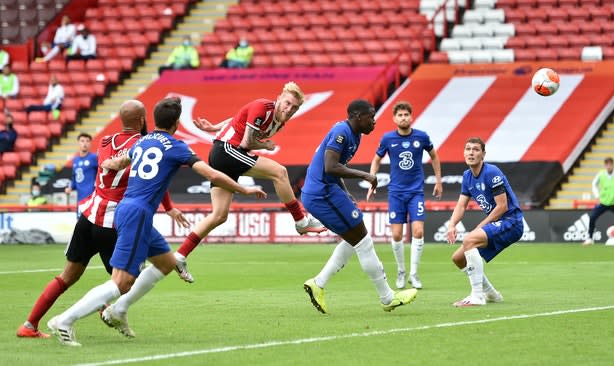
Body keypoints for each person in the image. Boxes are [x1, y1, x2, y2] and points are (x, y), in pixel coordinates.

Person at [47, 97, 267, 346]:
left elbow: (118, 162)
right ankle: (64, 321)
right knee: (121, 282)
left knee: (165, 263)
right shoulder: (176, 146)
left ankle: (118, 311)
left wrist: (108, 163)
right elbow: (212, 173)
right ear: (175, 123)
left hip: (127, 210)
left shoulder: (144, 140)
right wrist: (243, 189)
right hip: (138, 214)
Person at [16, 99, 186, 339]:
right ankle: (97, 313)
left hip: (88, 217)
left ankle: (29, 325)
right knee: (125, 282)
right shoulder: (145, 145)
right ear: (141, 120)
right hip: (113, 222)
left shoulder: (105, 141)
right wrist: (169, 207)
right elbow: (154, 179)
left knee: (67, 277)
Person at [172, 81, 326, 283]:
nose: (289, 109)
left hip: (225, 154)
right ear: (279, 98)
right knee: (279, 172)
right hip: (226, 151)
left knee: (219, 215)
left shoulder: (278, 120)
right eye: (287, 103)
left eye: (294, 108)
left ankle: (180, 256)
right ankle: (300, 221)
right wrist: (267, 145)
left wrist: (214, 127)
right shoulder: (262, 107)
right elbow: (246, 142)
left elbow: (237, 118)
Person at [301, 99, 418, 314]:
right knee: (363, 242)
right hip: (321, 194)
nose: (374, 121)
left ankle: (318, 283)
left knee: (354, 238)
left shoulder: (354, 135)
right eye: (370, 117)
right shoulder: (342, 131)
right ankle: (387, 297)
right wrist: (365, 175)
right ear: (357, 117)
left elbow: (336, 168)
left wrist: (345, 193)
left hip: (327, 191)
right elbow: (330, 166)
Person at [367, 101, 442, 290]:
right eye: (399, 115)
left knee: (418, 231)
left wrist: (439, 181)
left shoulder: (422, 137)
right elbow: (376, 160)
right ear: (394, 119)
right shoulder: (387, 139)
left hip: (416, 192)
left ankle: (414, 274)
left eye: (406, 114)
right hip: (396, 193)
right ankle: (401, 271)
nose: (403, 118)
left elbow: (434, 156)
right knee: (397, 234)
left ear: (411, 117)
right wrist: (372, 182)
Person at [446, 137, 523, 307]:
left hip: (512, 222)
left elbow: (502, 207)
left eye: (475, 149)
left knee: (469, 240)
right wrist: (452, 224)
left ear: (483, 155)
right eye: (468, 149)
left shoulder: (491, 172)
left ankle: (477, 296)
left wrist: (479, 227)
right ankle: (491, 293)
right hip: (499, 223)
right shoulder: (467, 176)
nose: (471, 153)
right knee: (458, 258)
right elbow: (461, 204)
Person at [65, 132, 98, 214]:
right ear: (78, 143)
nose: (85, 143)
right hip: (80, 199)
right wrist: (70, 187)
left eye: (87, 141)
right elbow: (74, 179)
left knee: (91, 223)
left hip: (91, 198)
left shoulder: (94, 157)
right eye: (82, 141)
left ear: (90, 144)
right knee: (80, 224)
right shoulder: (75, 160)